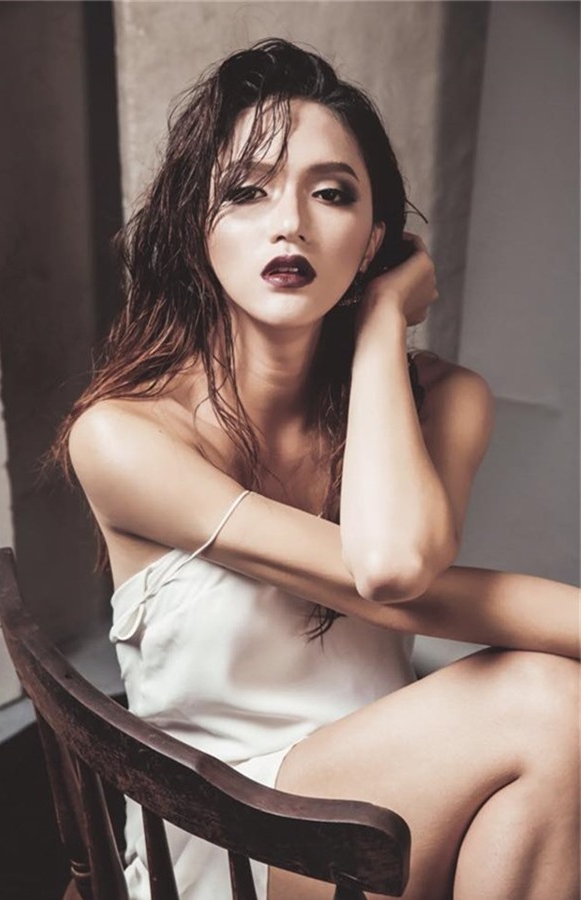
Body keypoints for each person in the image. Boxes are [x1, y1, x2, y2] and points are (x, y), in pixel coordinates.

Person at [54, 38, 579, 900]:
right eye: (247, 191)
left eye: (330, 194)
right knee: (556, 704)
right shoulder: (124, 436)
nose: (290, 222)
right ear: (196, 227)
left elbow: (402, 558)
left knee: (554, 767)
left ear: (374, 242)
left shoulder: (445, 400)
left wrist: (378, 333)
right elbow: (394, 578)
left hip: (394, 795)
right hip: (227, 831)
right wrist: (382, 319)